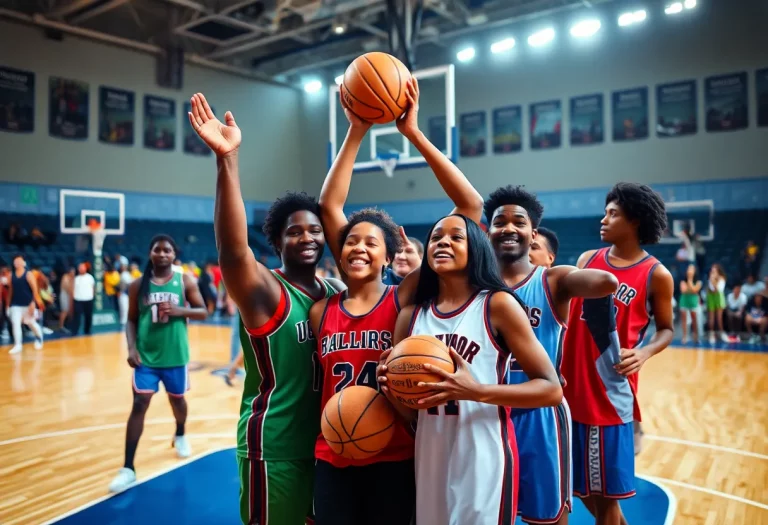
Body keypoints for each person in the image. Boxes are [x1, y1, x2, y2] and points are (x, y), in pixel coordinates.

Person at [309, 76, 484, 525]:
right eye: (351, 241)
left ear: (390, 256)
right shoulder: (320, 311)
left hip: (394, 451)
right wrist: (356, 130)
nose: (359, 248)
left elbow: (469, 207)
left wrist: (413, 134)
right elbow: (330, 204)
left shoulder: (402, 297)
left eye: (372, 243)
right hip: (333, 451)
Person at [188, 92, 344, 525]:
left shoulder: (335, 291)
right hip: (273, 449)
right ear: (277, 241)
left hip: (330, 446)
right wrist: (228, 160)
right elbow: (233, 252)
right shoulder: (267, 291)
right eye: (295, 231)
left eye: (315, 229)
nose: (309, 237)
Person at [377, 214, 562, 525]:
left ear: (475, 249)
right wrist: (392, 389)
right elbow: (410, 414)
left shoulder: (497, 305)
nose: (443, 242)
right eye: (436, 238)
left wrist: (475, 391)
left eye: (455, 237)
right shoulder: (410, 317)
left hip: (484, 455)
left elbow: (551, 389)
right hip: (430, 454)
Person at [484, 185, 618, 525]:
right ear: (488, 233)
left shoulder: (552, 280)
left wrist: (583, 268)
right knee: (486, 513)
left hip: (538, 413)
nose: (509, 228)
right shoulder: (477, 287)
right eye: (500, 221)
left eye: (519, 222)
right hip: (485, 410)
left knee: (546, 518)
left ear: (533, 235)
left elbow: (606, 283)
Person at [560, 182, 674, 525]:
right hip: (569, 387)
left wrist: (644, 352)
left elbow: (667, 328)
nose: (604, 219)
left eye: (613, 214)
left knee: (607, 501)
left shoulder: (657, 274)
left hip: (608, 393)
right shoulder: (587, 260)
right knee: (581, 489)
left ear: (635, 221)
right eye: (605, 212)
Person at [108, 235, 207, 493]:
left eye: (167, 250)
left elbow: (203, 311)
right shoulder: (137, 285)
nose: (162, 254)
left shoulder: (184, 280)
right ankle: (128, 468)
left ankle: (181, 432)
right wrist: (131, 347)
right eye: (157, 249)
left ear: (174, 255)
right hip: (146, 358)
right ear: (150, 252)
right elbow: (130, 320)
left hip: (175, 356)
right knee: (139, 404)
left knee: (178, 401)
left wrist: (180, 311)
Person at [7, 254, 44, 354]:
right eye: (16, 261)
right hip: (15, 305)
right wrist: (8, 305)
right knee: (16, 324)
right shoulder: (11, 275)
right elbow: (10, 291)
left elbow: (35, 290)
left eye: (19, 260)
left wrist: (33, 303)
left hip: (28, 304)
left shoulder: (28, 274)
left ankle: (39, 338)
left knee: (31, 323)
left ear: (24, 262)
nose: (17, 263)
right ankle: (18, 345)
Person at [679, 263, 702, 345]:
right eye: (689, 269)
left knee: (694, 320)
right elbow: (683, 290)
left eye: (691, 269)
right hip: (684, 300)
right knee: (684, 319)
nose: (690, 271)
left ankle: (696, 337)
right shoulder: (682, 280)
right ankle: (685, 336)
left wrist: (690, 279)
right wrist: (690, 284)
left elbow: (694, 290)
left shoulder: (698, 281)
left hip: (693, 301)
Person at [72, 262, 96, 335]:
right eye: (80, 267)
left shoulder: (90, 277)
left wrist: (92, 296)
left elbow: (93, 288)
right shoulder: (76, 278)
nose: (81, 269)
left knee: (88, 316)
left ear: (85, 268)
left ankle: (87, 330)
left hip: (88, 299)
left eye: (82, 267)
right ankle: (75, 331)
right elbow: (73, 289)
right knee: (77, 317)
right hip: (78, 300)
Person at [706, 264, 727, 344]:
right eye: (712, 271)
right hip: (711, 298)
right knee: (711, 318)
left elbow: (717, 289)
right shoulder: (710, 279)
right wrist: (712, 279)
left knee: (719, 318)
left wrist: (714, 280)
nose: (713, 272)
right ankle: (711, 334)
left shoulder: (722, 279)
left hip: (719, 298)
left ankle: (721, 333)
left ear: (718, 271)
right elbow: (711, 289)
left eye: (714, 271)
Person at [58, 267, 74, 333]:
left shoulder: (72, 279)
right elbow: (67, 288)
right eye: (73, 272)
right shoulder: (65, 277)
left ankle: (68, 325)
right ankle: (61, 326)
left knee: (69, 311)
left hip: (69, 296)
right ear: (70, 272)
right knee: (64, 311)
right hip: (64, 296)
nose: (74, 273)